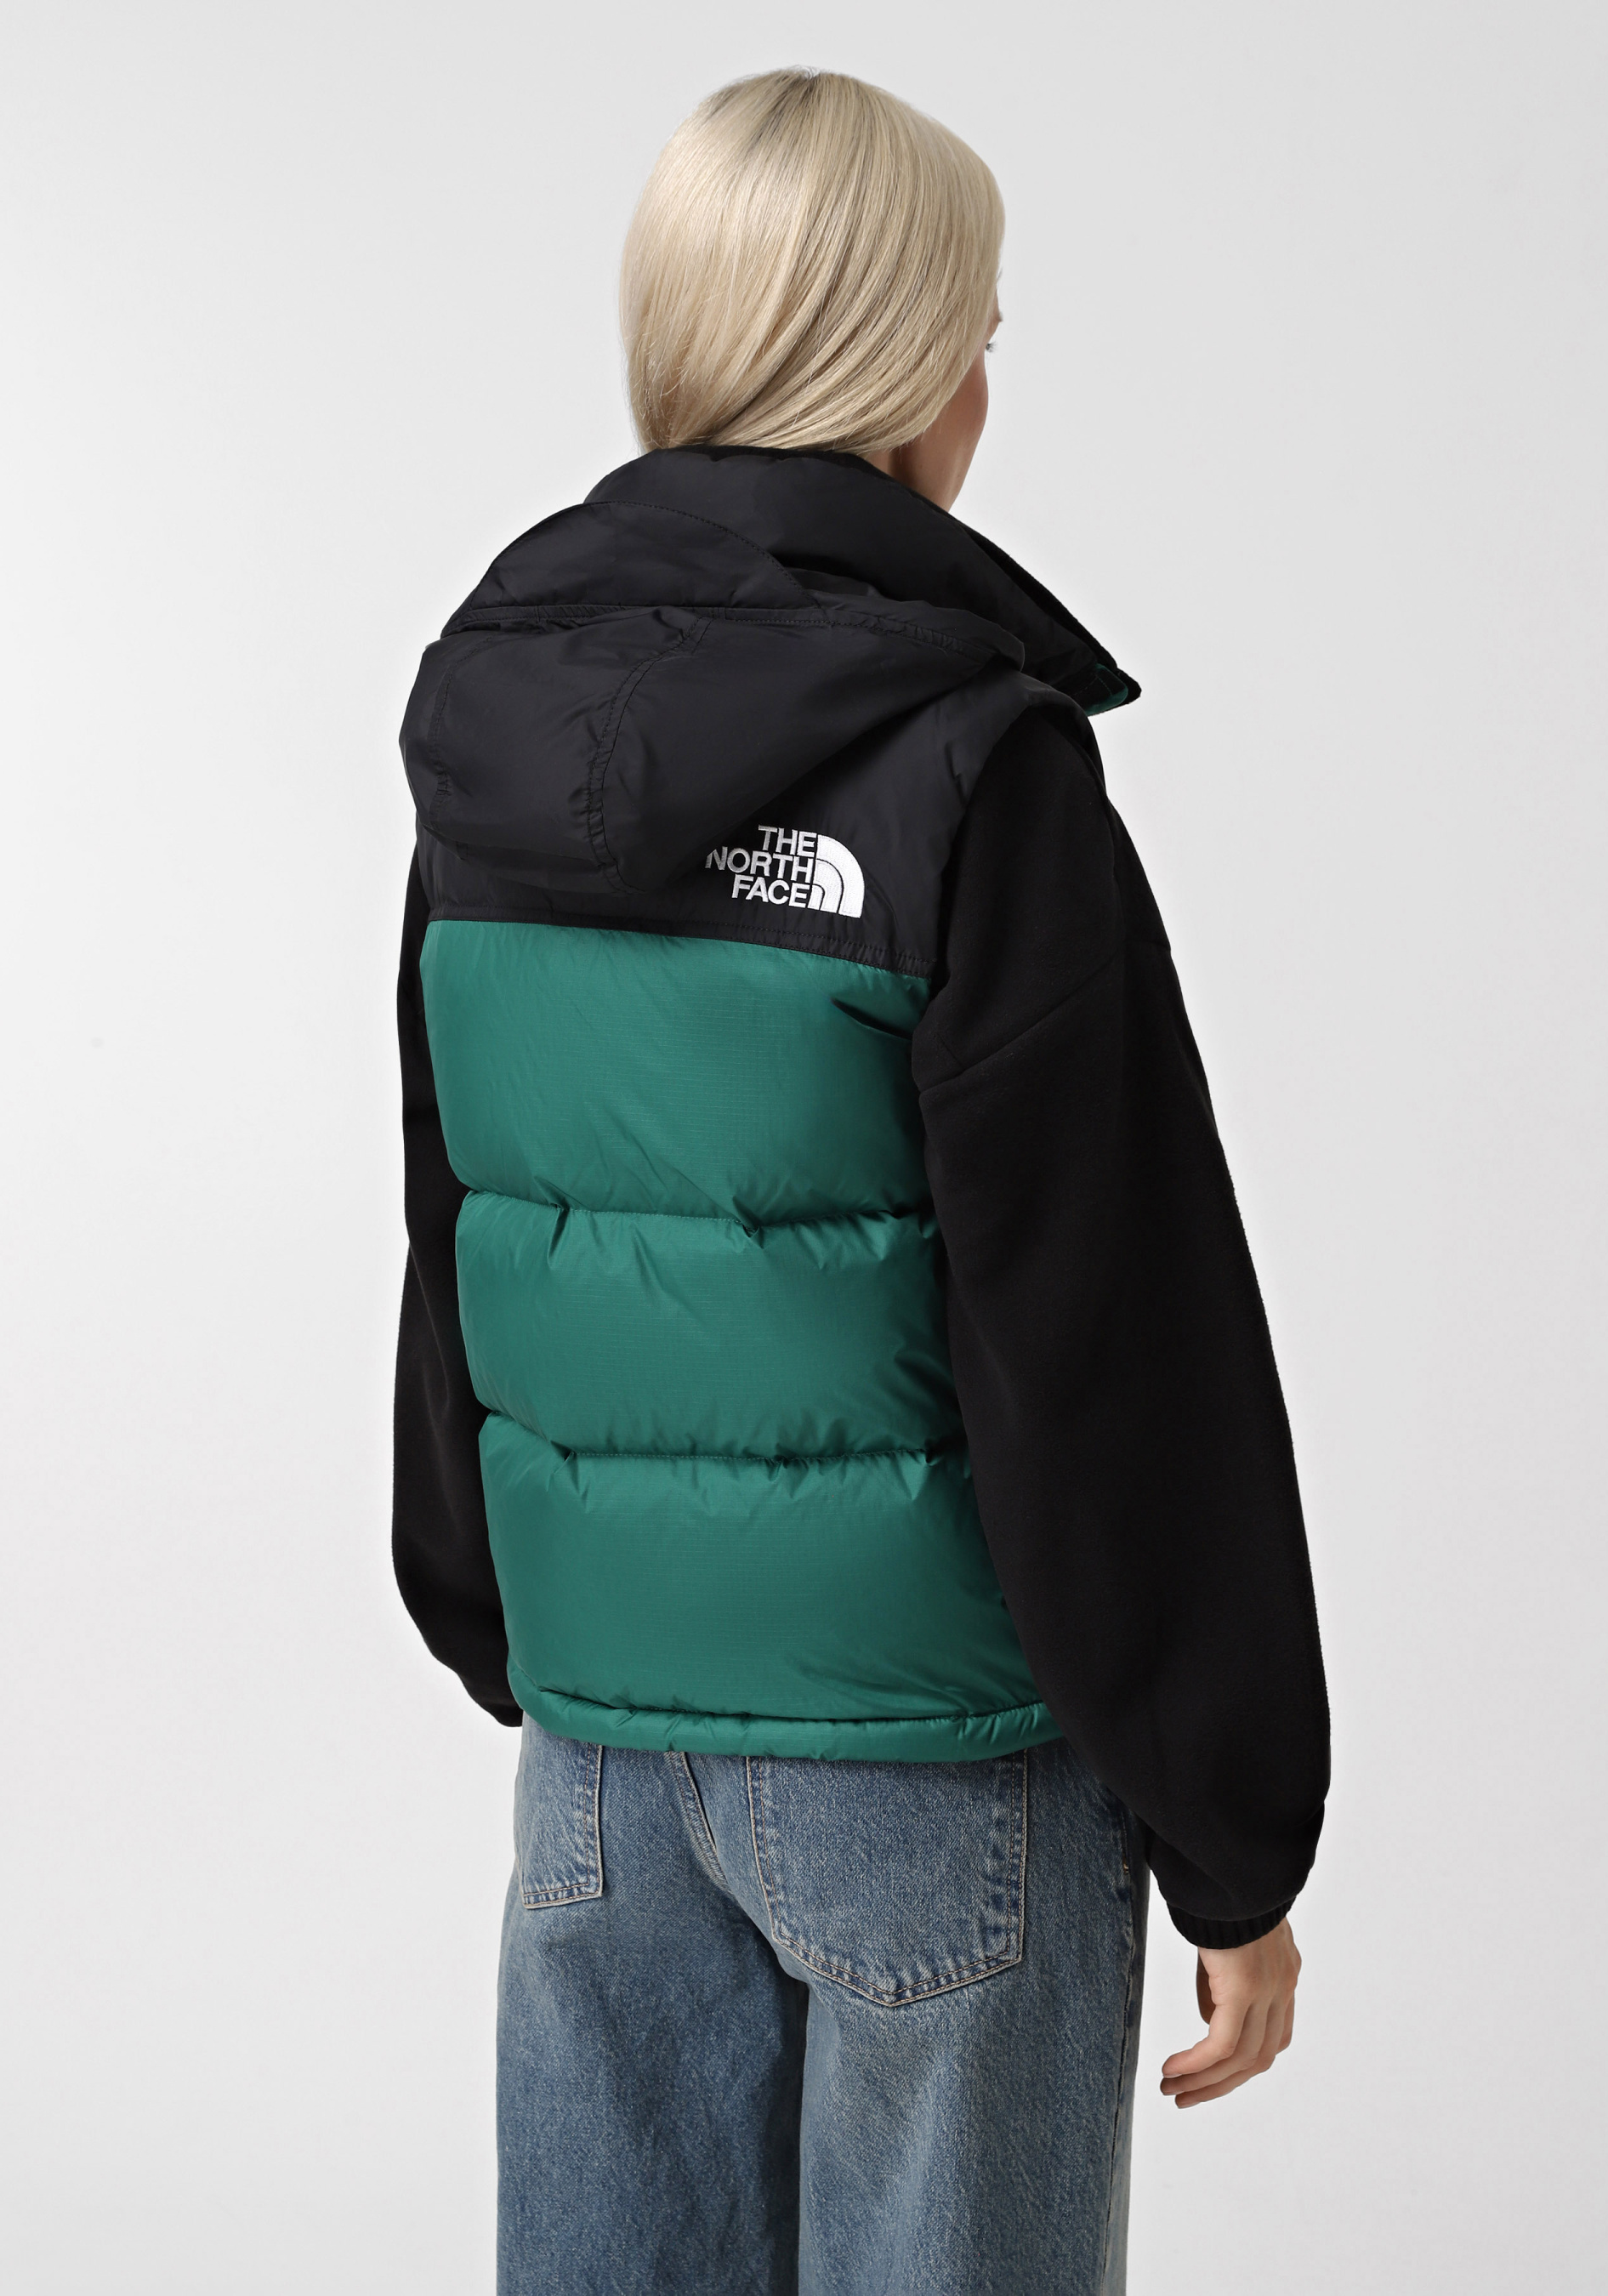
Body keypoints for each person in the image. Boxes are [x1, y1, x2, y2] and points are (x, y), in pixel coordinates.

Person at [394, 67, 1328, 2296]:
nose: (986, 383)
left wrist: (498, 1615)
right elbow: (1108, 1330)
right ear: (897, 368)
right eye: (975, 332)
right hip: (940, 1764)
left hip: (601, 1756)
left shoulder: (488, 726)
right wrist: (1230, 1828)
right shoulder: (971, 756)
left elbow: (461, 1215)